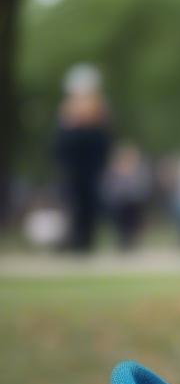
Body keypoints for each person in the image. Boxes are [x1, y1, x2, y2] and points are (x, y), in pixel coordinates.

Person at [53, 64, 112, 252]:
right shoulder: (66, 122)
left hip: (92, 173)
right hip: (72, 173)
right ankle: (73, 242)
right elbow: (59, 148)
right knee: (73, 207)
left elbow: (103, 147)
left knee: (89, 210)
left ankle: (86, 243)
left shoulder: (99, 123)